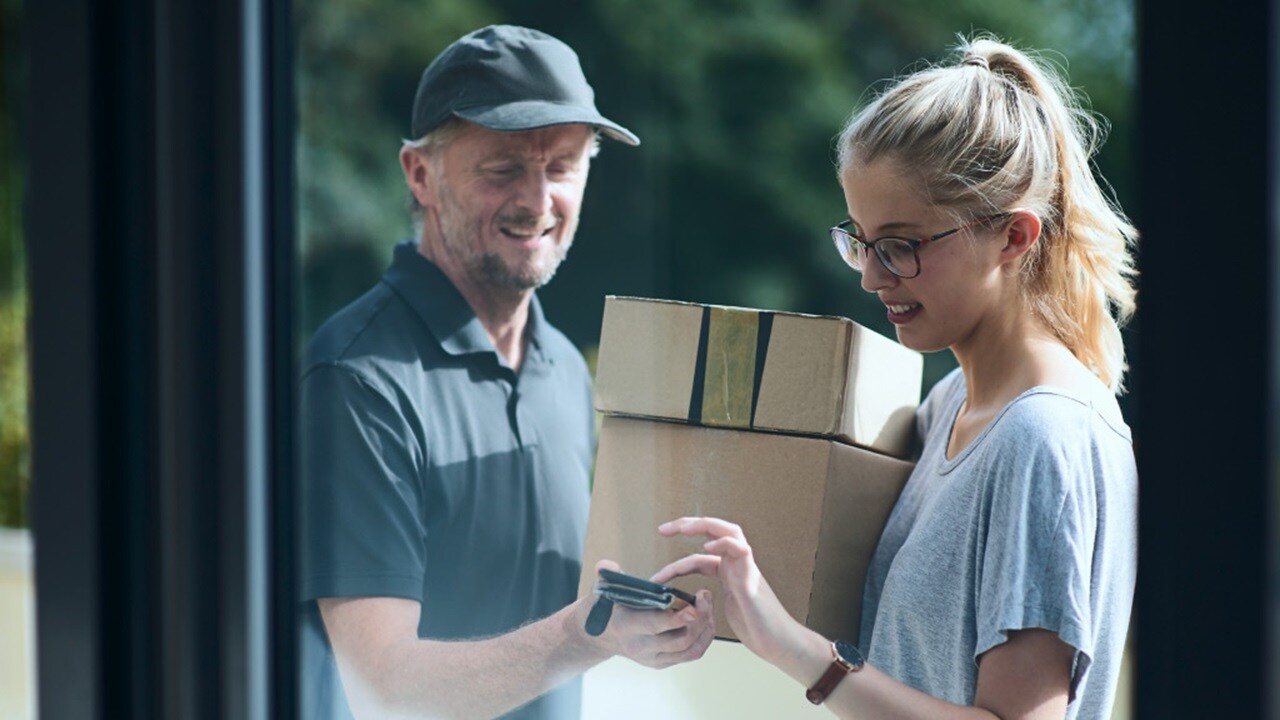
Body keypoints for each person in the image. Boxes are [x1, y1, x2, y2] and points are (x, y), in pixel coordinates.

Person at [654, 35, 1138, 720]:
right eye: (859, 238)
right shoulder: (948, 404)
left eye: (902, 245)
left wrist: (798, 652)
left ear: (1014, 237)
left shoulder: (1044, 435)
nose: (871, 275)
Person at [297, 25, 713, 720]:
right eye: (503, 169)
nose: (537, 199)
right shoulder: (358, 379)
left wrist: (664, 614)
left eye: (563, 166)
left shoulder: (566, 375)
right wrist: (588, 636)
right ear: (419, 175)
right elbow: (383, 686)